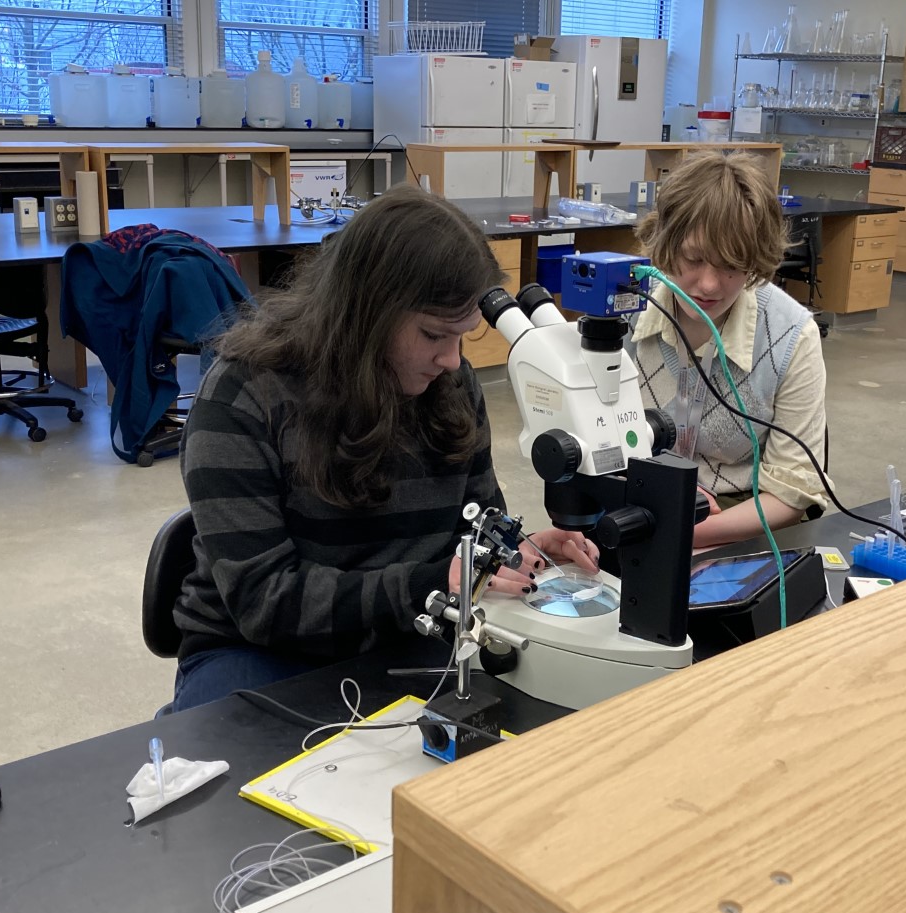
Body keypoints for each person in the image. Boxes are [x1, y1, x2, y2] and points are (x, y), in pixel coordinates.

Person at [170, 186, 599, 712]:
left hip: (415, 628)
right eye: (434, 334)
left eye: (463, 335)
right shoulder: (244, 395)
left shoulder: (450, 385)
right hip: (259, 651)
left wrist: (515, 552)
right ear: (365, 313)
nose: (452, 359)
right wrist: (433, 581)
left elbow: (476, 529)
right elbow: (265, 603)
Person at [629, 151, 830, 550]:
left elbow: (793, 491)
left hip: (741, 527)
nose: (709, 285)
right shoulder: (628, 313)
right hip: (638, 510)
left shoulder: (791, 335)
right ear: (666, 243)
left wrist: (684, 530)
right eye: (694, 258)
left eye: (731, 266)